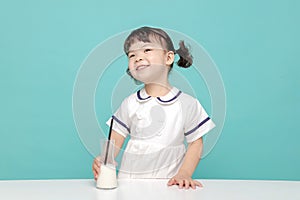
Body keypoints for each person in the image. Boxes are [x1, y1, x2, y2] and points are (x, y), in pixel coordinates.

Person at [92, 26, 215, 189]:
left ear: (168, 57)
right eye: (132, 55)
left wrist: (184, 173)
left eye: (147, 50)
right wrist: (104, 159)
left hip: (170, 184)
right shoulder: (130, 103)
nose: (138, 57)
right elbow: (115, 139)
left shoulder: (188, 104)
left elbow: (195, 143)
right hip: (130, 183)